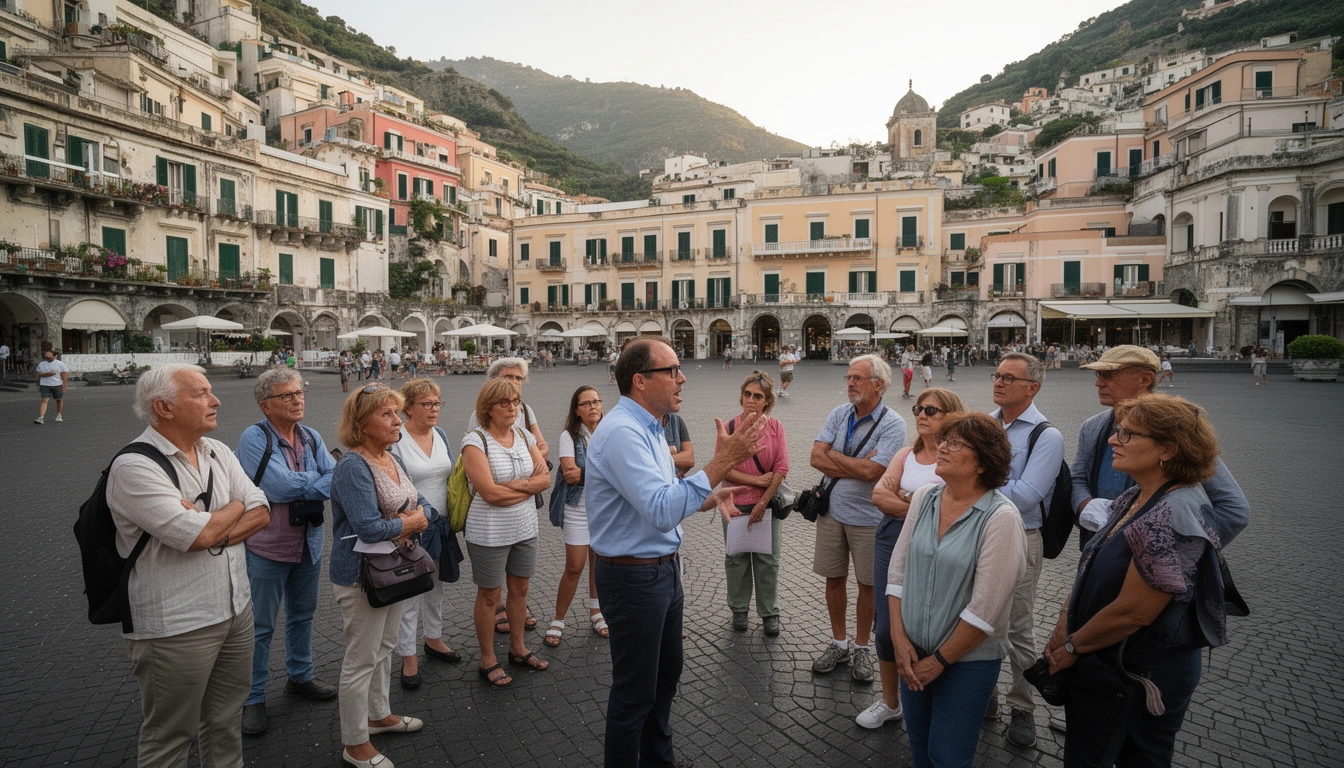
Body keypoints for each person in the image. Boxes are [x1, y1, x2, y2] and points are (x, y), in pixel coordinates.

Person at [586, 336, 762, 766]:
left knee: (664, 681)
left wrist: (706, 498)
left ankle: (658, 761)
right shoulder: (623, 433)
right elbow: (662, 510)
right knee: (634, 694)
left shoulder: (652, 426)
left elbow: (662, 496)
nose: (683, 378)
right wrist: (722, 463)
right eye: (673, 371)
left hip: (661, 572)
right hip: (633, 578)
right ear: (641, 380)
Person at [1045, 394, 1228, 766]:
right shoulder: (1136, 495)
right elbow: (1090, 565)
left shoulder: (1170, 512)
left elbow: (1133, 612)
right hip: (1112, 660)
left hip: (1135, 671)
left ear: (1167, 449)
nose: (1114, 439)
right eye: (1118, 430)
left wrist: (1071, 648)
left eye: (1128, 433)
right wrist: (1065, 621)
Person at [107, 364, 271, 766]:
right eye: (200, 394)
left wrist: (215, 524)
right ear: (163, 407)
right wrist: (235, 507)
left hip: (235, 609)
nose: (216, 400)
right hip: (176, 624)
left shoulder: (217, 451)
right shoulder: (134, 467)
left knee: (225, 721)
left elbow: (262, 511)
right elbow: (199, 536)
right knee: (169, 736)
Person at [886, 412, 1027, 768]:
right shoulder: (924, 498)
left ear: (983, 463)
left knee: (948, 756)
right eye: (944, 441)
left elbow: (985, 611)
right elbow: (897, 572)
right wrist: (899, 641)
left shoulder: (1001, 518)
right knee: (918, 742)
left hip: (967, 663)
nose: (942, 448)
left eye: (955, 444)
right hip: (912, 651)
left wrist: (939, 661)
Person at [329, 383, 433, 768]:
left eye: (397, 412)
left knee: (385, 646)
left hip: (393, 569)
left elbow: (419, 501)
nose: (397, 420)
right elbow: (368, 527)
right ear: (361, 423)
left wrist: (416, 517)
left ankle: (378, 715)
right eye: (386, 414)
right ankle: (355, 743)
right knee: (360, 659)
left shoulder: (390, 456)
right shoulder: (353, 465)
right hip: (362, 575)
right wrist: (410, 523)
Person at [234, 369, 338, 736]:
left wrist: (304, 483)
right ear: (266, 405)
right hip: (267, 546)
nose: (297, 400)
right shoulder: (254, 438)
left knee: (302, 615)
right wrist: (314, 479)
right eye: (287, 395)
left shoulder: (311, 436)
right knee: (260, 626)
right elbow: (279, 488)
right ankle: (252, 697)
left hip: (308, 543)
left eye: (299, 393)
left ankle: (300, 675)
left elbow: (336, 478)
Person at [857, 387, 964, 729]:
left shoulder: (958, 456)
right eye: (919, 409)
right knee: (887, 628)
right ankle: (891, 701)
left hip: (939, 544)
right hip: (892, 539)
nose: (921, 415)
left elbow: (957, 502)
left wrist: (903, 495)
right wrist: (922, 506)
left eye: (931, 411)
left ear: (951, 416)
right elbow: (879, 495)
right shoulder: (905, 455)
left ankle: (934, 698)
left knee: (933, 625)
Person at [1073, 345, 1249, 550]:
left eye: (1109, 374)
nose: (1099, 382)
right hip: (1099, 550)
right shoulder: (1093, 427)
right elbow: (1078, 478)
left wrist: (1179, 551)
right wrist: (1086, 507)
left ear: (1145, 379)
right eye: (1098, 374)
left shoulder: (1172, 427)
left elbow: (1234, 508)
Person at [809, 354, 907, 683]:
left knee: (868, 585)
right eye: (848, 378)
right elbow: (815, 458)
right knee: (834, 579)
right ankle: (839, 643)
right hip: (831, 512)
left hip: (869, 518)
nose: (849, 383)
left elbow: (874, 472)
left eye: (857, 378)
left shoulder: (893, 423)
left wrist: (834, 456)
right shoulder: (839, 414)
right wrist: (856, 463)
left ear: (879, 384)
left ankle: (862, 647)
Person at [985, 351, 1065, 746]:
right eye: (997, 375)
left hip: (1021, 537)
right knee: (979, 619)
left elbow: (1027, 496)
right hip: (979, 534)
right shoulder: (986, 424)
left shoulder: (1046, 436)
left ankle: (1022, 706)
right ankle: (983, 694)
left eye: (1009, 378)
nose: (999, 382)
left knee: (1017, 626)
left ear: (1033, 387)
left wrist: (976, 477)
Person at [461, 378, 552, 687]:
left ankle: (518, 648)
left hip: (525, 527)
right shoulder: (475, 442)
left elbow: (545, 480)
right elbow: (489, 494)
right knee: (489, 595)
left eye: (516, 402)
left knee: (521, 590)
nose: (513, 408)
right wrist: (527, 487)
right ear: (488, 408)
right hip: (488, 531)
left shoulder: (524, 435)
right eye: (504, 403)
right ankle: (487, 658)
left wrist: (513, 487)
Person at [389, 378, 463, 691]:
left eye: (437, 403)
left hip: (440, 524)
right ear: (408, 408)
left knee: (435, 587)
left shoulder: (440, 434)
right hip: (412, 525)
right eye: (427, 404)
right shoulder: (397, 439)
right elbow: (393, 484)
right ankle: (408, 656)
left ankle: (433, 638)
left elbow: (450, 476)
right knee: (410, 594)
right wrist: (407, 523)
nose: (434, 409)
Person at [717, 371, 789, 635]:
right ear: (741, 397)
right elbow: (722, 468)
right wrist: (757, 481)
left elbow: (781, 468)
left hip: (765, 506)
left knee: (768, 561)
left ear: (767, 401)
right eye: (747, 394)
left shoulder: (776, 428)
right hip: (734, 504)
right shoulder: (729, 428)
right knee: (736, 559)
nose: (751, 400)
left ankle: (769, 612)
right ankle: (739, 609)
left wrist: (763, 501)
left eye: (757, 396)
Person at [545, 385, 608, 647]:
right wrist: (607, 473)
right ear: (577, 410)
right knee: (574, 566)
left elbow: (615, 470)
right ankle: (558, 619)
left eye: (596, 401)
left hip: (604, 510)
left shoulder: (609, 432)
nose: (593, 407)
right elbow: (570, 475)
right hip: (577, 509)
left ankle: (596, 611)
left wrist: (588, 473)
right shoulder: (568, 436)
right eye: (587, 403)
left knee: (599, 564)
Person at [33, 349, 68, 424]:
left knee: (59, 399)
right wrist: (47, 374)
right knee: (44, 401)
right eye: (46, 354)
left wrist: (64, 385)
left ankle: (59, 415)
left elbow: (64, 374)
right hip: (45, 385)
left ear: (54, 356)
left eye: (49, 354)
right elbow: (38, 374)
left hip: (57, 384)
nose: (47, 356)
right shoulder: (42, 364)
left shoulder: (60, 364)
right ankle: (41, 417)